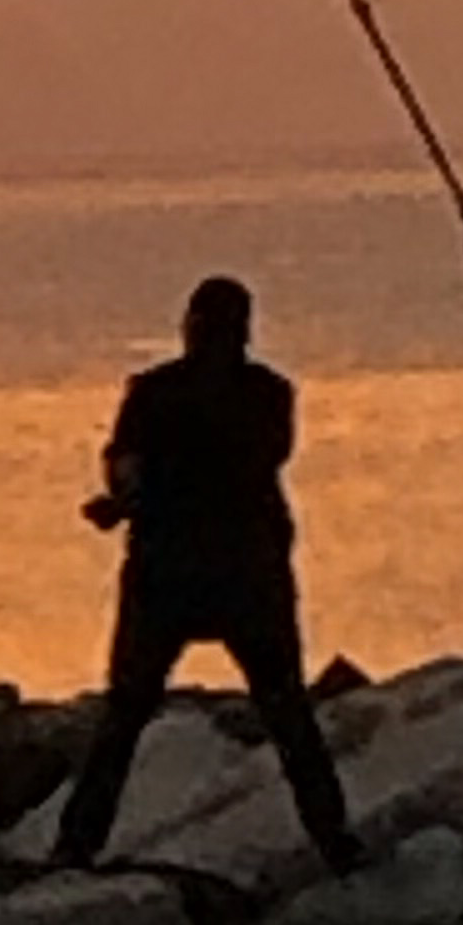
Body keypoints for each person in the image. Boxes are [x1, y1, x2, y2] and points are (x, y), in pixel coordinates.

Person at [55, 276, 361, 876]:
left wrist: (128, 497)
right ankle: (335, 839)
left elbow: (155, 466)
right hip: (221, 571)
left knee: (143, 715)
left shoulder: (225, 396)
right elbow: (132, 462)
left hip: (205, 571)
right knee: (273, 715)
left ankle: (76, 846)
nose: (204, 335)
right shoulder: (255, 395)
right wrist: (128, 491)